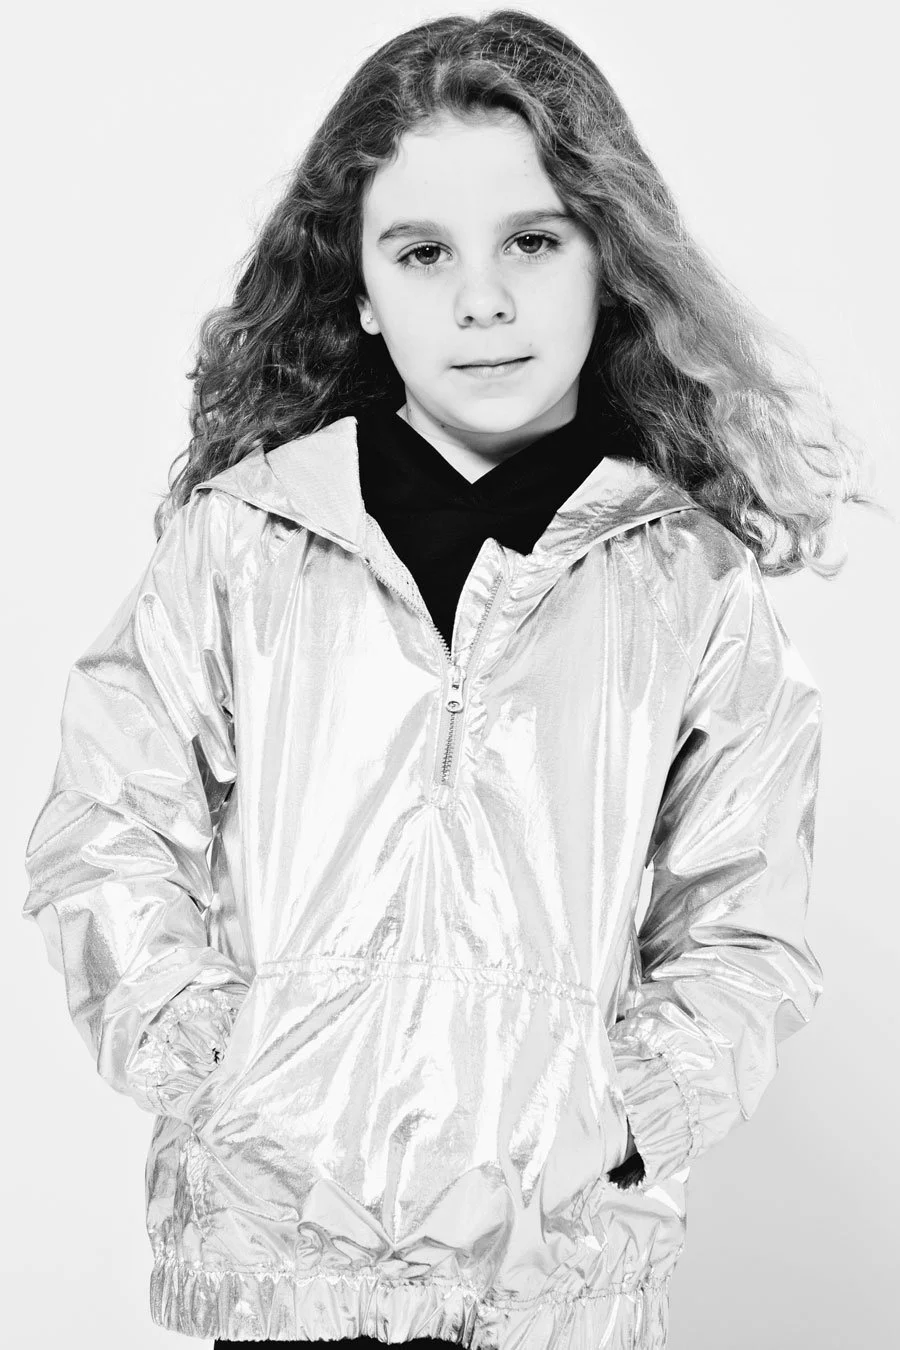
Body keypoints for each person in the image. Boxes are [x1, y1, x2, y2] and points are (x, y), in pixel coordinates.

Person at [22, 9, 878, 1350]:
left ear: (609, 259)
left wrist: (619, 1119)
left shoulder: (689, 588)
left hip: (550, 1279)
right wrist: (233, 1080)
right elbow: (105, 834)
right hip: (282, 1265)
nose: (483, 300)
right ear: (360, 283)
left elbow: (742, 935)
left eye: (532, 241)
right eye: (424, 253)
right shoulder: (244, 545)